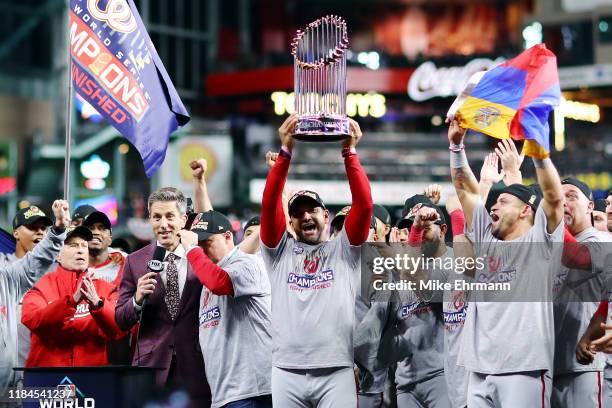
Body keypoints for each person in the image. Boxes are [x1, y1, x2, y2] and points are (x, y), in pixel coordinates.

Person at [448, 117, 565, 408]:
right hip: (478, 369)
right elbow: (465, 190)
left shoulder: (541, 240)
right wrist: (456, 146)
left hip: (523, 368)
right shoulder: (486, 238)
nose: (494, 206)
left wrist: (539, 156)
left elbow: (553, 195)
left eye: (502, 201)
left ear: (526, 210)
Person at [260, 114, 373, 408]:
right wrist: (285, 153)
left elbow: (365, 205)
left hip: (336, 369)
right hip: (286, 370)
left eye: (313, 210)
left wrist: (349, 153)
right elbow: (270, 204)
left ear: (326, 216)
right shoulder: (277, 251)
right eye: (298, 212)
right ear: (291, 220)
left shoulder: (345, 251)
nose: (306, 216)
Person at [115, 187, 211, 406]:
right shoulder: (135, 261)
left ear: (183, 219)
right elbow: (120, 320)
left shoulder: (201, 257)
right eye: (156, 217)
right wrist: (137, 300)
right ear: (149, 219)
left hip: (198, 365)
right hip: (151, 368)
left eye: (170, 216)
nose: (163, 224)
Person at [182, 210, 272, 408]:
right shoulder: (209, 275)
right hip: (225, 393)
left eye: (207, 242)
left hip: (254, 392)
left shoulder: (248, 264)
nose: (202, 248)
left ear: (228, 236)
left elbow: (219, 282)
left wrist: (190, 248)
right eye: (199, 243)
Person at [21, 226, 124, 367]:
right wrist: (71, 302)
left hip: (91, 381)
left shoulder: (105, 289)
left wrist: (99, 305)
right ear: (57, 254)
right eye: (72, 245)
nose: (80, 250)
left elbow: (119, 331)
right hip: (47, 380)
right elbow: (33, 320)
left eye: (84, 245)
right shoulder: (40, 286)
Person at [0, 200, 69, 394]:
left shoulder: (6, 279)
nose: (39, 232)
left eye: (43, 228)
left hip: (10, 389)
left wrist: (57, 231)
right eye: (32, 227)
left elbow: (37, 260)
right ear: (15, 233)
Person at [82, 210, 131, 364]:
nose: (96, 232)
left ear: (110, 239)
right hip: (83, 346)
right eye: (91, 228)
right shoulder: (71, 263)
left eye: (102, 228)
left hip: (116, 348)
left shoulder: (126, 262)